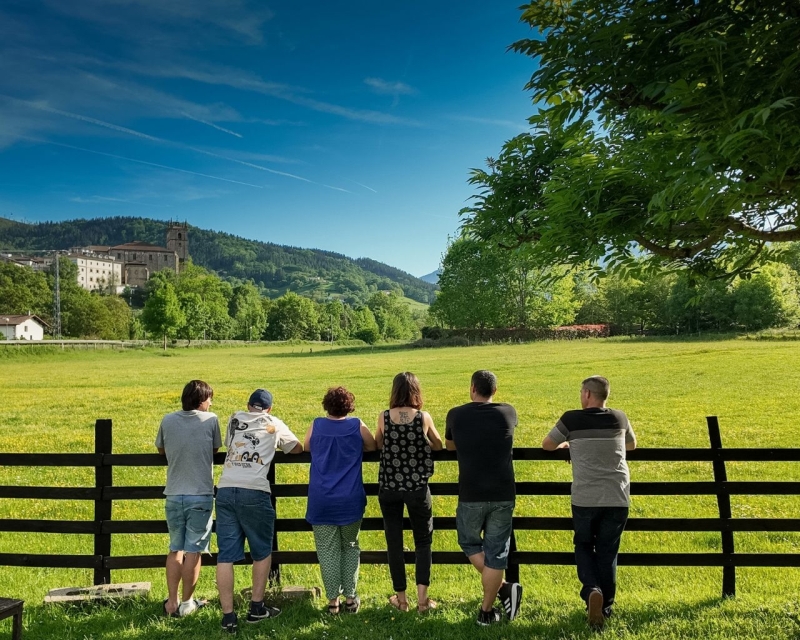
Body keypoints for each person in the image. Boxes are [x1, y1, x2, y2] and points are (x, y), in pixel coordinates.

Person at [542, 375, 637, 629]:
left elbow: (547, 445)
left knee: (583, 545)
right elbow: (632, 445)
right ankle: (605, 607)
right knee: (608, 552)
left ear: (586, 394)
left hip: (585, 497)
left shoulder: (572, 419)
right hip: (618, 495)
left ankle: (591, 590)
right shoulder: (620, 418)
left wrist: (569, 443)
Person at [215, 389, 303, 633]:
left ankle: (228, 617)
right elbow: (296, 447)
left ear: (248, 405)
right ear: (269, 408)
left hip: (225, 489)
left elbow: (228, 442)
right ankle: (256, 607)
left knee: (225, 555)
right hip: (254, 490)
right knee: (262, 551)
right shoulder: (273, 423)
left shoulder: (234, 418)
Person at [445, 370, 523, 626]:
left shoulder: (456, 414)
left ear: (472, 388)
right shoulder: (508, 412)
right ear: (494, 391)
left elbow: (449, 445)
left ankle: (496, 599)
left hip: (471, 492)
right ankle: (487, 610)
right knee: (497, 552)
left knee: (469, 543)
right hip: (503, 491)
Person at [375, 372, 443, 613]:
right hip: (417, 488)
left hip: (390, 487)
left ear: (394, 392)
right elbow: (438, 444)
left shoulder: (384, 417)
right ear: (416, 391)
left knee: (394, 542)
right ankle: (423, 601)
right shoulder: (423, 417)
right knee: (423, 541)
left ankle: (401, 600)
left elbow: (378, 444)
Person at [305, 386, 376, 615]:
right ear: (349, 406)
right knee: (351, 547)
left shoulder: (316, 425)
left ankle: (332, 601)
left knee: (327, 551)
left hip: (321, 499)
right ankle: (351, 598)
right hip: (350, 500)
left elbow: (307, 447)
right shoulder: (356, 426)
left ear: (327, 405)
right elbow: (373, 445)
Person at [154, 379, 222, 617]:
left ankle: (171, 602)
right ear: (202, 400)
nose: (211, 403)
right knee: (194, 550)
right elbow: (214, 449)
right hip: (200, 495)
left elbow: (161, 449)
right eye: (210, 398)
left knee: (175, 548)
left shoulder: (168, 420)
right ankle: (187, 603)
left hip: (173, 493)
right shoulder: (211, 420)